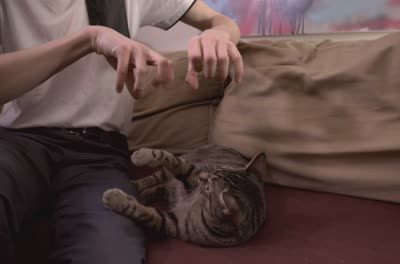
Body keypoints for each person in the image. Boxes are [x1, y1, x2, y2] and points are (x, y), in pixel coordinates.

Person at [0, 0, 243, 263]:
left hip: (98, 155)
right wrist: (89, 39)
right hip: (17, 144)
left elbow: (220, 21)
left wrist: (218, 34)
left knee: (110, 251)